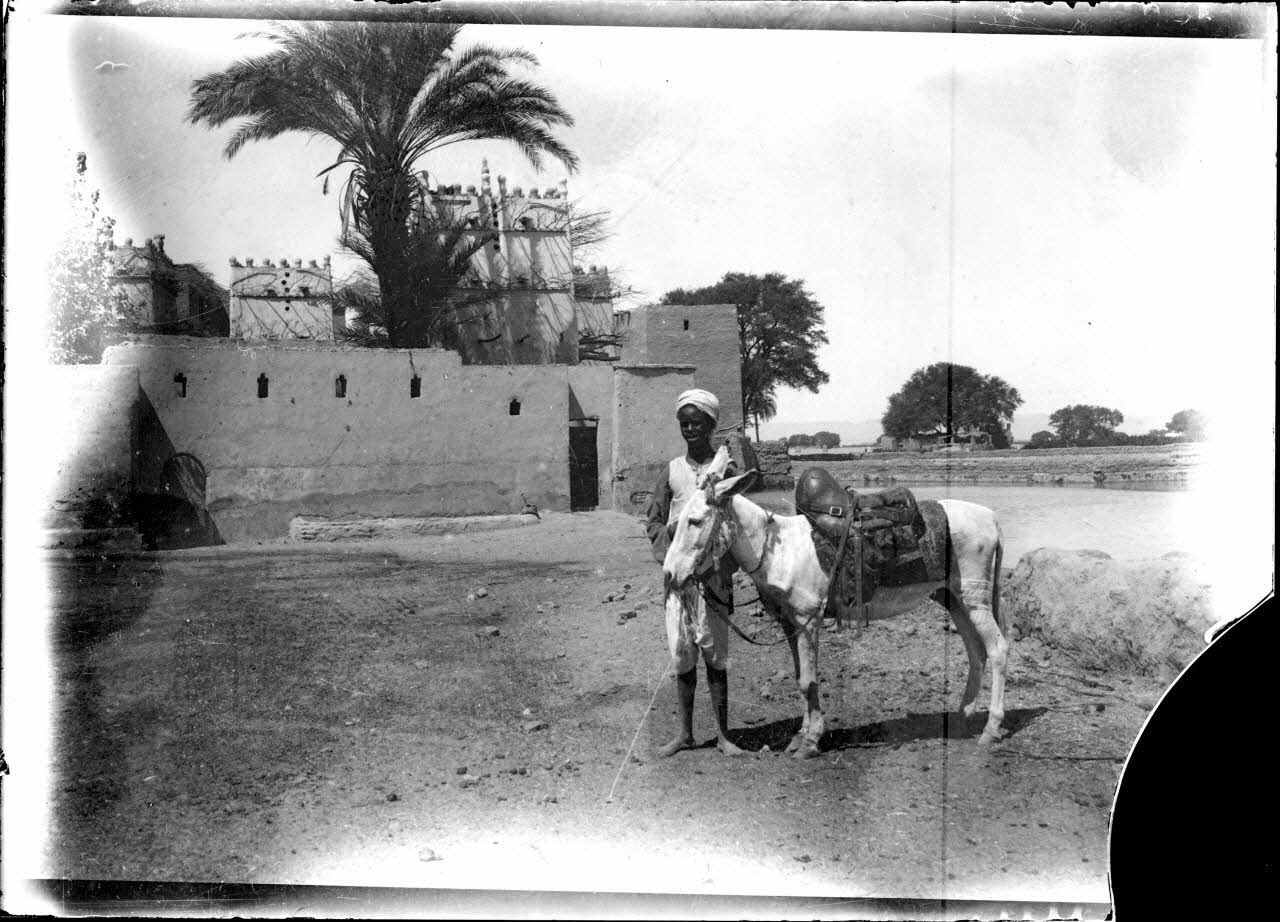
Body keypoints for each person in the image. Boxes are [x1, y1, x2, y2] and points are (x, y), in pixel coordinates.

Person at [645, 388, 744, 757]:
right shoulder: (671, 471)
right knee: (681, 654)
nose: (690, 429)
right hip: (677, 582)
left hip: (713, 579)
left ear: (711, 425)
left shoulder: (726, 472)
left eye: (697, 423)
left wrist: (718, 562)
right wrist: (669, 554)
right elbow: (654, 521)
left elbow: (736, 525)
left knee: (715, 657)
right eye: (684, 423)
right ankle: (685, 734)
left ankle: (723, 736)